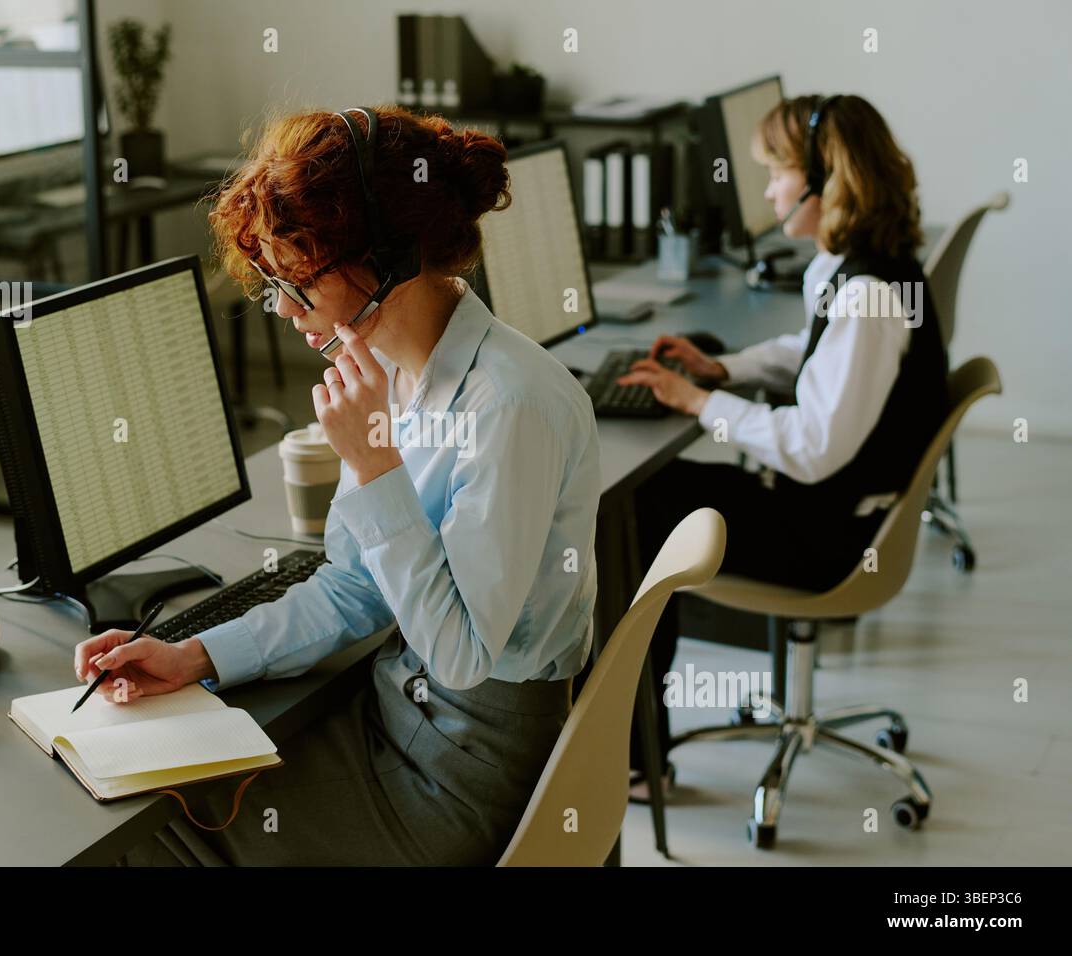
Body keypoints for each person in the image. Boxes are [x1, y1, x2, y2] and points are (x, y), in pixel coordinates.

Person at [74, 105, 602, 865]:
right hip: (403, 713)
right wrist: (194, 654)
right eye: (272, 283)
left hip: (462, 772)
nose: (285, 311)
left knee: (151, 834)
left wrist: (376, 464)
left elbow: (459, 657)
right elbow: (357, 588)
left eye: (299, 282)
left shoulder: (509, 404)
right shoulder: (393, 374)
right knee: (164, 786)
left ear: (385, 260)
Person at [617, 94, 948, 802]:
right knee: (659, 495)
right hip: (837, 509)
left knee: (633, 517)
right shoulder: (867, 265)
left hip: (833, 535)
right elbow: (813, 353)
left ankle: (637, 762)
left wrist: (701, 404)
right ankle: (636, 748)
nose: (766, 191)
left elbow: (813, 447)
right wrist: (723, 370)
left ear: (825, 182)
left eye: (776, 174)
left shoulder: (869, 299)